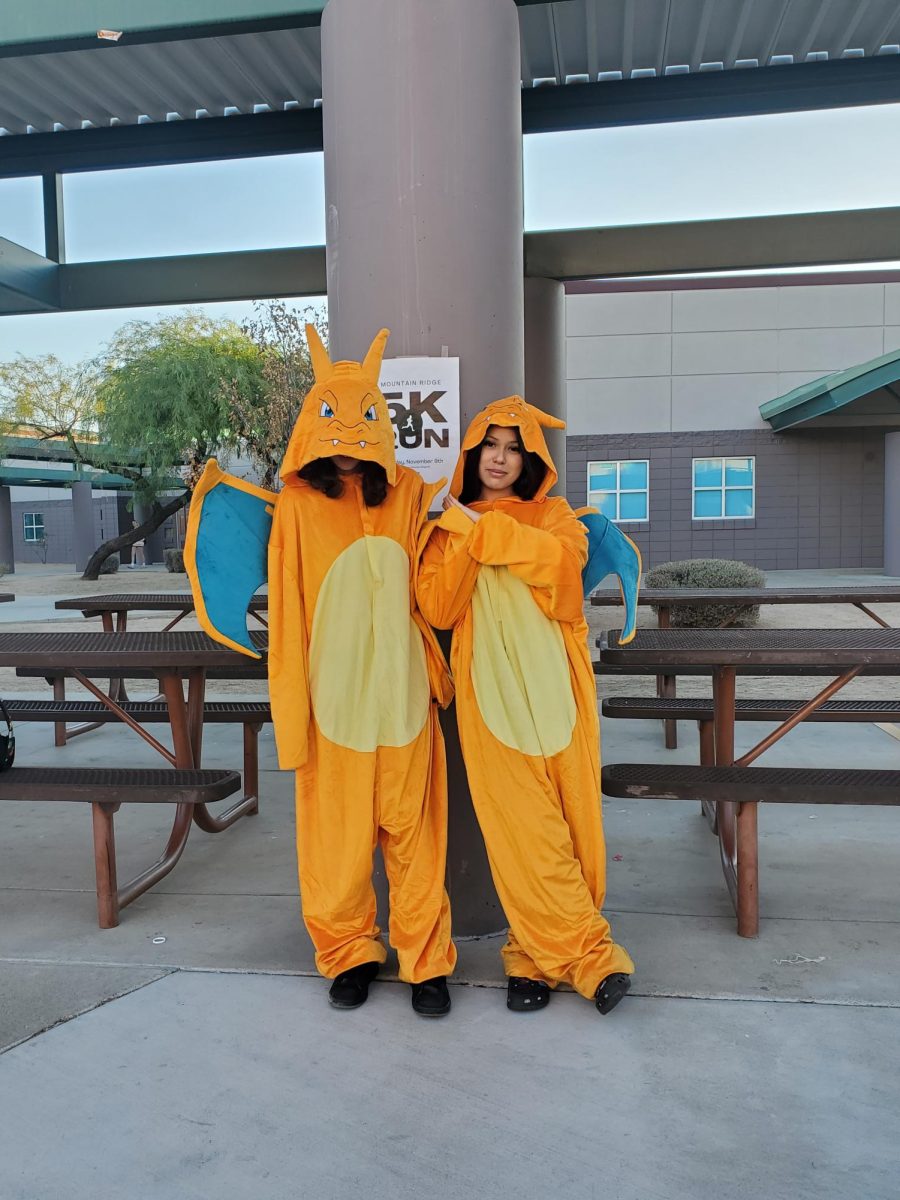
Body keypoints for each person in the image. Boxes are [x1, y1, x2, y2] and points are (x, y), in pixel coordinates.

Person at [417, 395, 634, 1015]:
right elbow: (437, 609)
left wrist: (482, 530)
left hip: (558, 691)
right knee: (524, 835)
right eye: (491, 446)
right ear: (472, 452)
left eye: (514, 449)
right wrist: (463, 538)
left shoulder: (555, 516)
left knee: (574, 829)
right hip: (491, 698)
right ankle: (593, 958)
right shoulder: (444, 528)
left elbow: (564, 578)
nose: (500, 459)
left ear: (530, 459)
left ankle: (532, 957)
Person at [267, 325, 457, 1016]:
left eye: (364, 416)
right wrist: (291, 715)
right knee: (337, 839)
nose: (348, 430)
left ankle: (425, 961)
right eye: (333, 415)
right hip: (333, 700)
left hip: (403, 697)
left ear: (381, 424)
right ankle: (349, 951)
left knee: (414, 832)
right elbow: (286, 611)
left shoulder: (407, 491)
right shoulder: (294, 504)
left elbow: (430, 586)